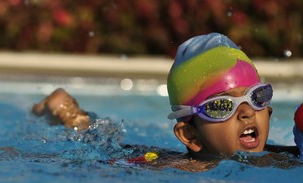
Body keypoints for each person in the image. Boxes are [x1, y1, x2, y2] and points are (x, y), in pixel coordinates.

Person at [31, 33, 303, 171]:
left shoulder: (275, 158)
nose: (246, 113)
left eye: (256, 97)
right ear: (190, 134)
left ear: (268, 109)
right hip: (139, 158)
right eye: (221, 105)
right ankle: (69, 114)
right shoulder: (177, 170)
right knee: (99, 143)